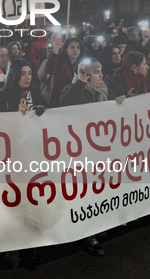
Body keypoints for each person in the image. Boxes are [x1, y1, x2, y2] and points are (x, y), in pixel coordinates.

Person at [59, 59, 125, 255]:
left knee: (101, 189)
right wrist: (81, 80)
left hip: (103, 150)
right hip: (83, 152)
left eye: (101, 70)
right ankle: (87, 233)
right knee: (86, 194)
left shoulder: (104, 90)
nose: (101, 75)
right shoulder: (72, 89)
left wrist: (119, 102)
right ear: (85, 75)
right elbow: (70, 103)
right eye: (96, 71)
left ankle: (100, 223)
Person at [45, 36, 83, 107]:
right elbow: (49, 70)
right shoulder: (60, 63)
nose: (75, 50)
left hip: (78, 101)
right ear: (66, 50)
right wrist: (55, 49)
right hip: (59, 101)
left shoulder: (82, 64)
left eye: (78, 48)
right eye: (72, 47)